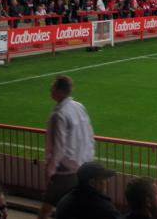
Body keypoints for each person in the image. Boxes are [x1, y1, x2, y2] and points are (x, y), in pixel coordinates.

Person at [38, 75, 95, 219]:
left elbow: (58, 148)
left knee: (46, 209)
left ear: (59, 90)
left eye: (53, 87)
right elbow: (89, 135)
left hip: (65, 172)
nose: (50, 90)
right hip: (82, 167)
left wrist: (49, 171)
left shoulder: (58, 115)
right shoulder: (79, 106)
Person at [54, 162, 119, 219]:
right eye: (104, 179)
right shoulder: (103, 208)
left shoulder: (65, 200)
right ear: (92, 183)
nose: (107, 182)